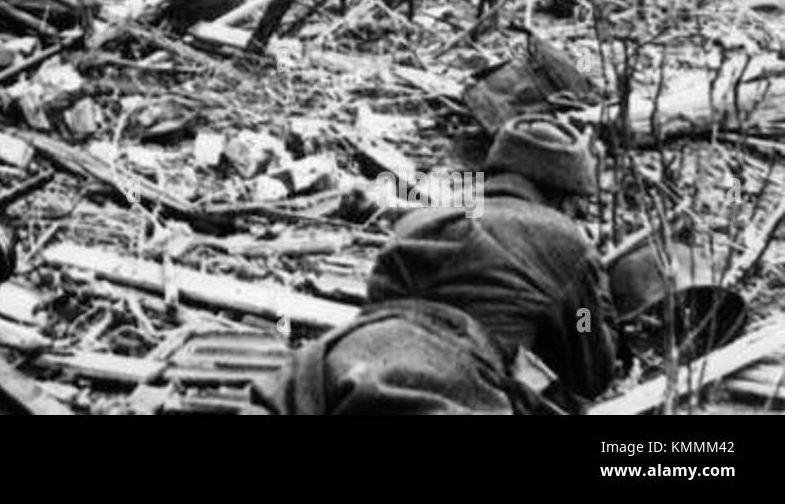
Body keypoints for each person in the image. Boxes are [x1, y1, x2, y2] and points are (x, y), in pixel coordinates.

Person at [254, 115, 617, 414]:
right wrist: (595, 310)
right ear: (565, 198)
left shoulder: (423, 217)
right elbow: (589, 370)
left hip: (339, 359)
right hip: (449, 380)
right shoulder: (564, 240)